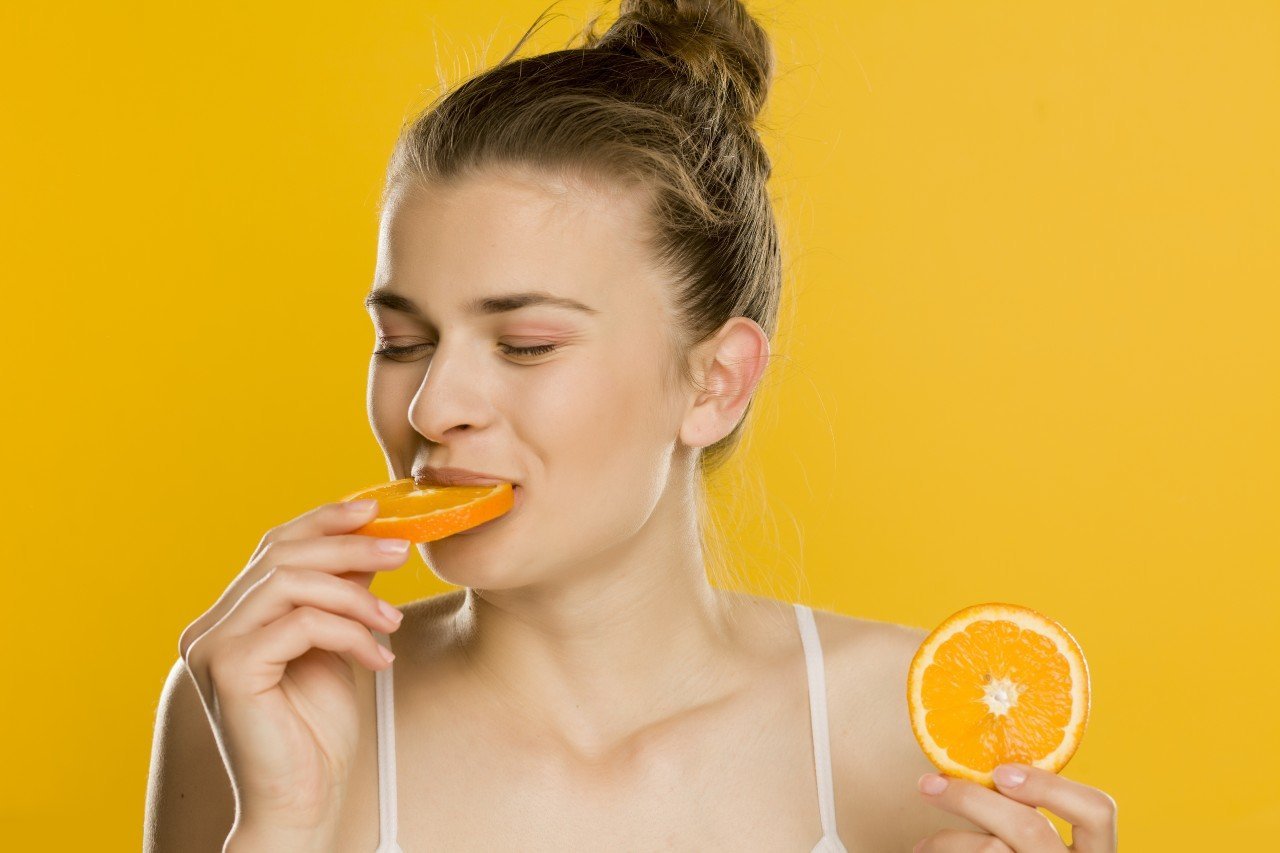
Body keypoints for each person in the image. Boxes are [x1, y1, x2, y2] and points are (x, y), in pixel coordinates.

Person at [145, 2, 1119, 850]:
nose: (431, 407)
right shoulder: (259, 709)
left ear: (715, 383)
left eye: (525, 344)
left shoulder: (924, 730)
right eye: (402, 341)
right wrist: (283, 829)